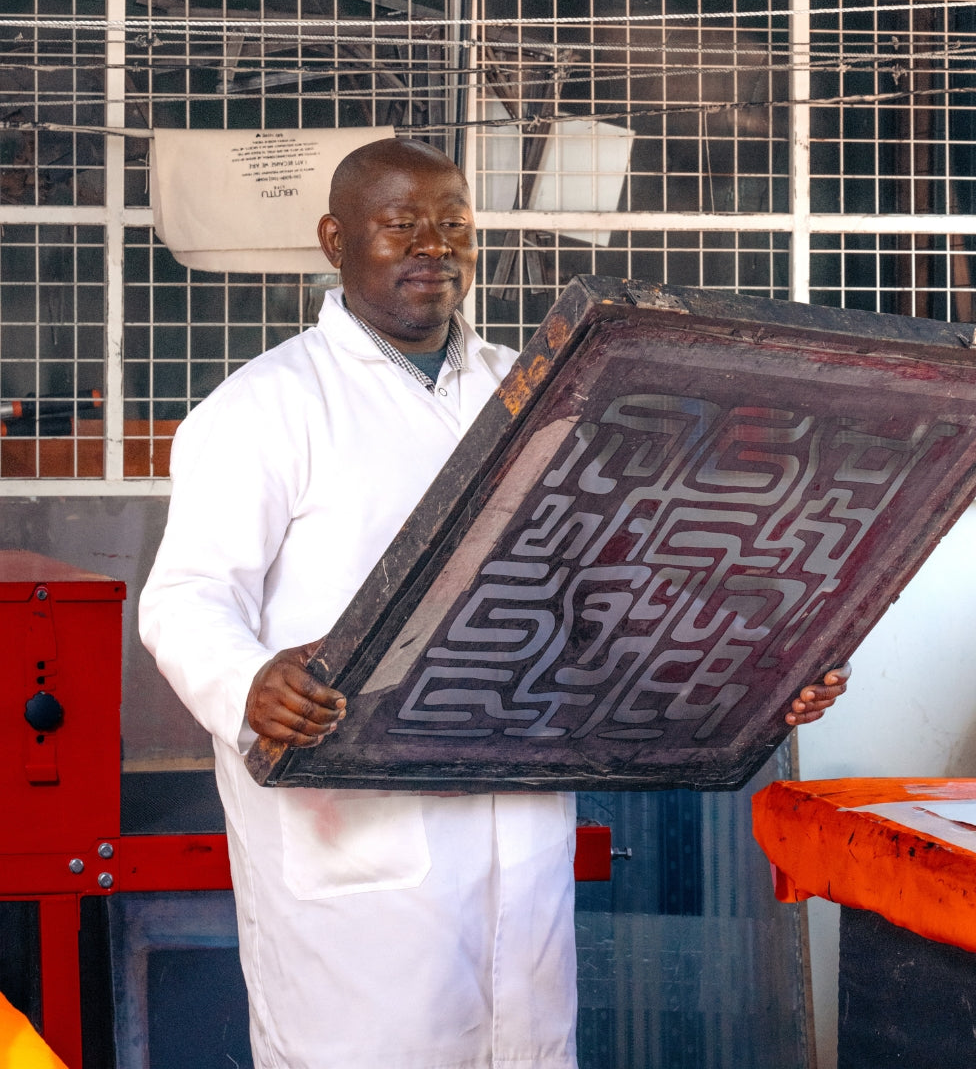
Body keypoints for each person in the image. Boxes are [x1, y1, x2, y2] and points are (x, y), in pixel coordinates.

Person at [139, 137, 851, 1069]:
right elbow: (185, 597)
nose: (433, 245)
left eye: (454, 224)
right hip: (355, 840)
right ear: (335, 240)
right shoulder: (263, 409)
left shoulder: (544, 389)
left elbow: (614, 579)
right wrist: (248, 685)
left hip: (516, 817)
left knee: (524, 1048)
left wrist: (757, 674)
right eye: (401, 225)